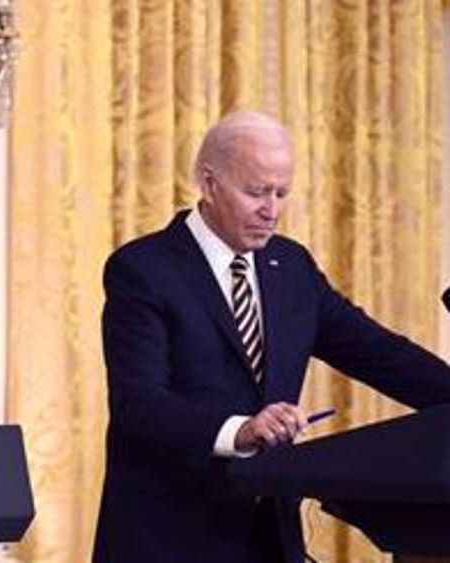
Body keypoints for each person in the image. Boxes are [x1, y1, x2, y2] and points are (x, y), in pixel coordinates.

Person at [92, 111, 450, 563]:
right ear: (209, 182)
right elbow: (137, 403)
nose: (272, 210)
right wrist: (240, 431)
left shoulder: (292, 267)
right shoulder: (144, 269)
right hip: (169, 535)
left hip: (268, 538)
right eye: (256, 192)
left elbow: (380, 353)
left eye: (282, 193)